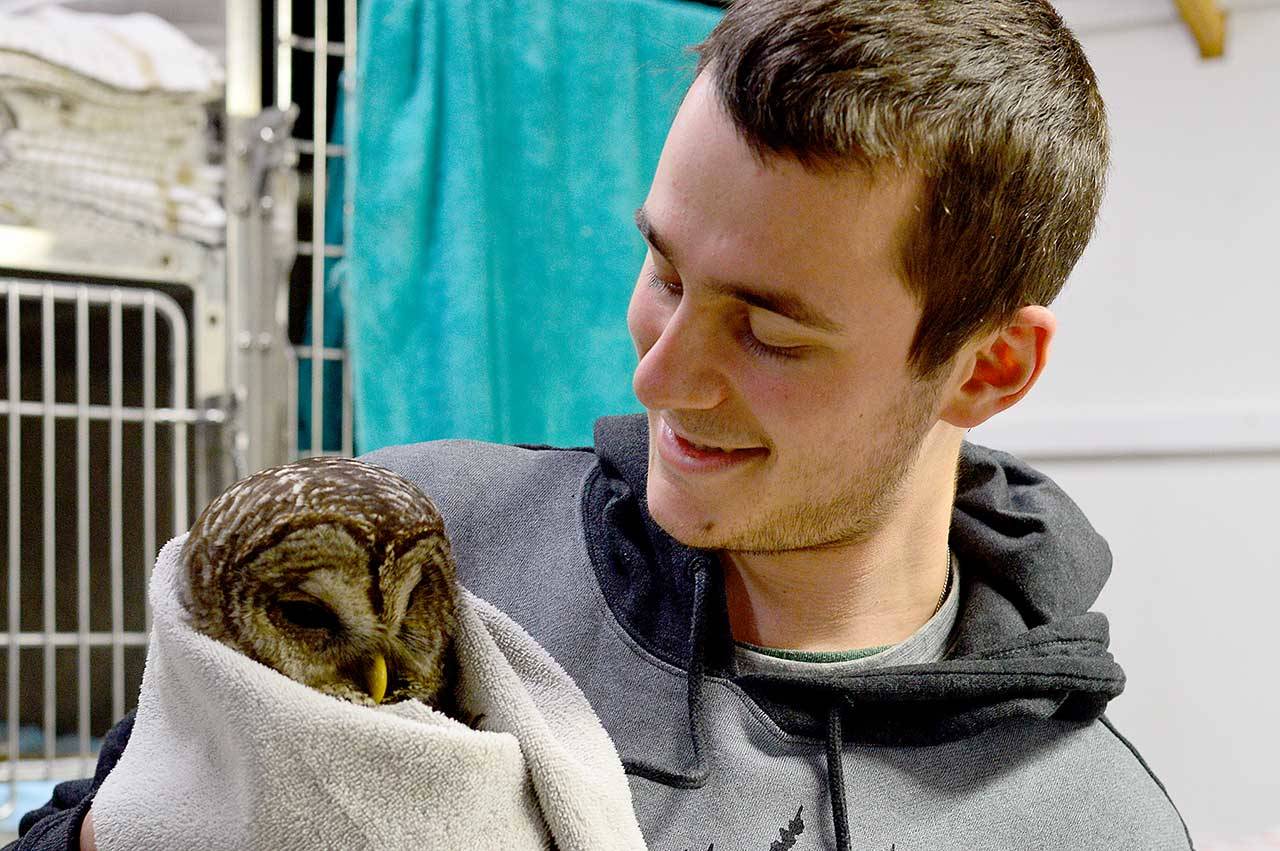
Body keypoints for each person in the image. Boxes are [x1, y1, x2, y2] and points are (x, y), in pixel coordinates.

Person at [12, 1, 1193, 849]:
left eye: (770, 331)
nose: (663, 376)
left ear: (986, 366)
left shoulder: (1084, 820)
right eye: (664, 272)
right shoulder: (417, 537)